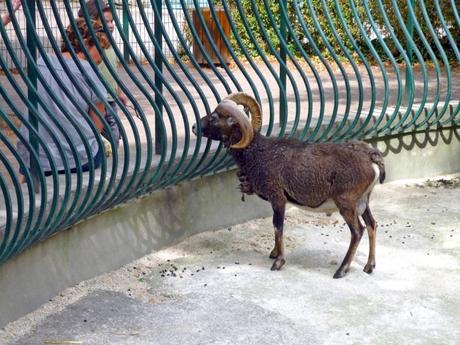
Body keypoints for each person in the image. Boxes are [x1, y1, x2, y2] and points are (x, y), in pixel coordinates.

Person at [17, 18, 111, 179]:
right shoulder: (90, 72)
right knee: (101, 148)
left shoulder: (41, 62)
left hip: (34, 152)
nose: (102, 56)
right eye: (100, 48)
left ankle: (27, 177)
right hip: (74, 157)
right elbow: (97, 125)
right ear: (87, 43)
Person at [78, 0, 127, 146]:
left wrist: (119, 92)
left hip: (110, 98)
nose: (111, 25)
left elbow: (112, 71)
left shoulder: (109, 42)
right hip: (95, 98)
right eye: (106, 22)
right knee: (99, 133)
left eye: (112, 21)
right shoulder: (91, 46)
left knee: (114, 135)